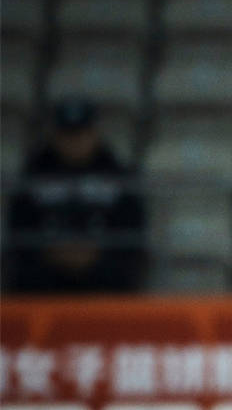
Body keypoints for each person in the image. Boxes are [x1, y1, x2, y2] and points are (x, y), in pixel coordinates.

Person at [2, 99, 147, 293]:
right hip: (46, 267)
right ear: (55, 136)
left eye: (81, 134)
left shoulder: (116, 173)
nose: (75, 142)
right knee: (26, 275)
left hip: (102, 266)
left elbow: (131, 228)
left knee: (121, 273)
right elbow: (19, 227)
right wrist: (51, 251)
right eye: (68, 135)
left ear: (94, 133)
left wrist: (95, 253)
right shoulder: (35, 173)